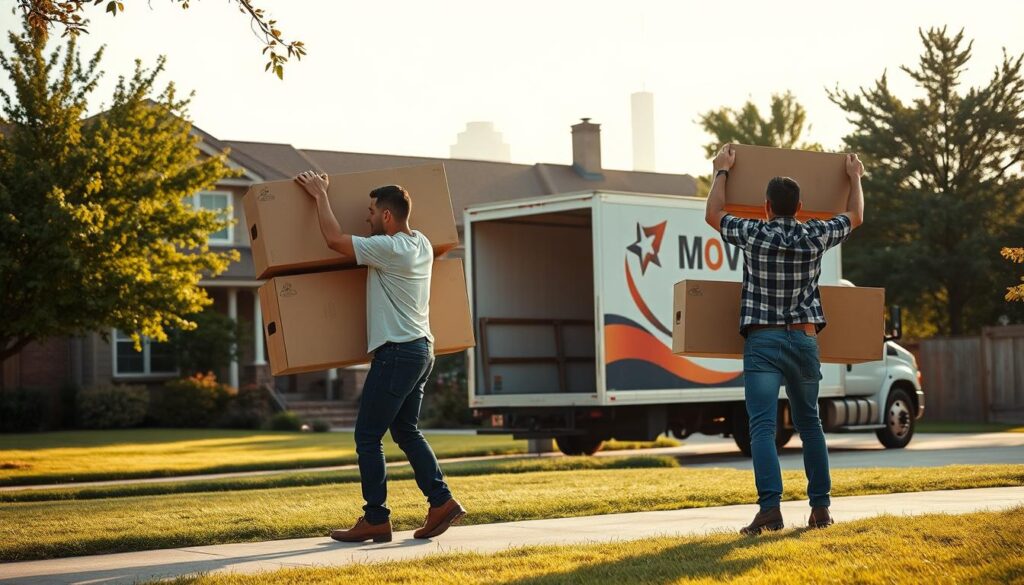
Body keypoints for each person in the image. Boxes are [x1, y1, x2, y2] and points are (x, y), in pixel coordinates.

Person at [295, 171, 466, 543]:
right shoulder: (419, 242)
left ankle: (376, 518)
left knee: (367, 436)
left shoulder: (389, 249)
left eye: (372, 211)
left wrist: (320, 195)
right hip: (422, 348)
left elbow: (333, 240)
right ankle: (441, 501)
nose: (367, 218)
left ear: (387, 216)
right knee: (406, 430)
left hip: (399, 351)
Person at [703, 145, 865, 534]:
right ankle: (821, 510)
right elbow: (856, 215)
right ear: (801, 206)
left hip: (763, 341)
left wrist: (720, 171)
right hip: (804, 340)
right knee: (810, 424)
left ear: (766, 207)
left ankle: (770, 511)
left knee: (761, 426)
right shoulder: (816, 234)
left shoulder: (754, 233)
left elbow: (713, 214)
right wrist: (855, 176)